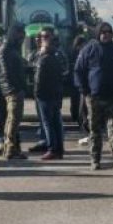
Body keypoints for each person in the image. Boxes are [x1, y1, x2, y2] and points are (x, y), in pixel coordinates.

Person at [73, 21, 113, 171]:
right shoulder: (89, 49)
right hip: (94, 98)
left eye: (109, 32)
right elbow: (78, 71)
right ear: (98, 33)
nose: (106, 35)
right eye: (103, 32)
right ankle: (95, 159)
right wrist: (85, 91)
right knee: (95, 131)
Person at [33, 30, 68, 160]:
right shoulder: (56, 58)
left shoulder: (43, 60)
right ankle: (59, 149)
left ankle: (52, 149)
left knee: (48, 123)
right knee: (56, 122)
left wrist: (37, 94)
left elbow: (39, 80)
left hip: (45, 96)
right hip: (56, 94)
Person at [0, 22, 28, 159]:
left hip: (14, 88)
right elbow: (6, 72)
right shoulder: (6, 49)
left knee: (13, 119)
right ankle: (9, 148)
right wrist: (16, 87)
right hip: (12, 90)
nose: (22, 36)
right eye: (20, 33)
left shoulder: (12, 48)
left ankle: (11, 147)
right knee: (13, 120)